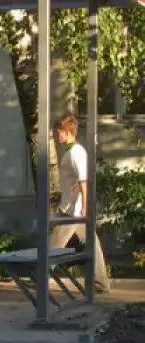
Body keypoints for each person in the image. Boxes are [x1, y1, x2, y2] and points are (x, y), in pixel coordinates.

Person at [51, 114, 110, 293]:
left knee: (52, 245)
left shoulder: (76, 153)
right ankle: (101, 283)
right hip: (72, 208)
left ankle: (39, 276)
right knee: (92, 244)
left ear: (68, 132)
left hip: (73, 211)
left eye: (58, 131)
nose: (56, 135)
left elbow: (84, 181)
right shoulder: (71, 151)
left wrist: (85, 206)